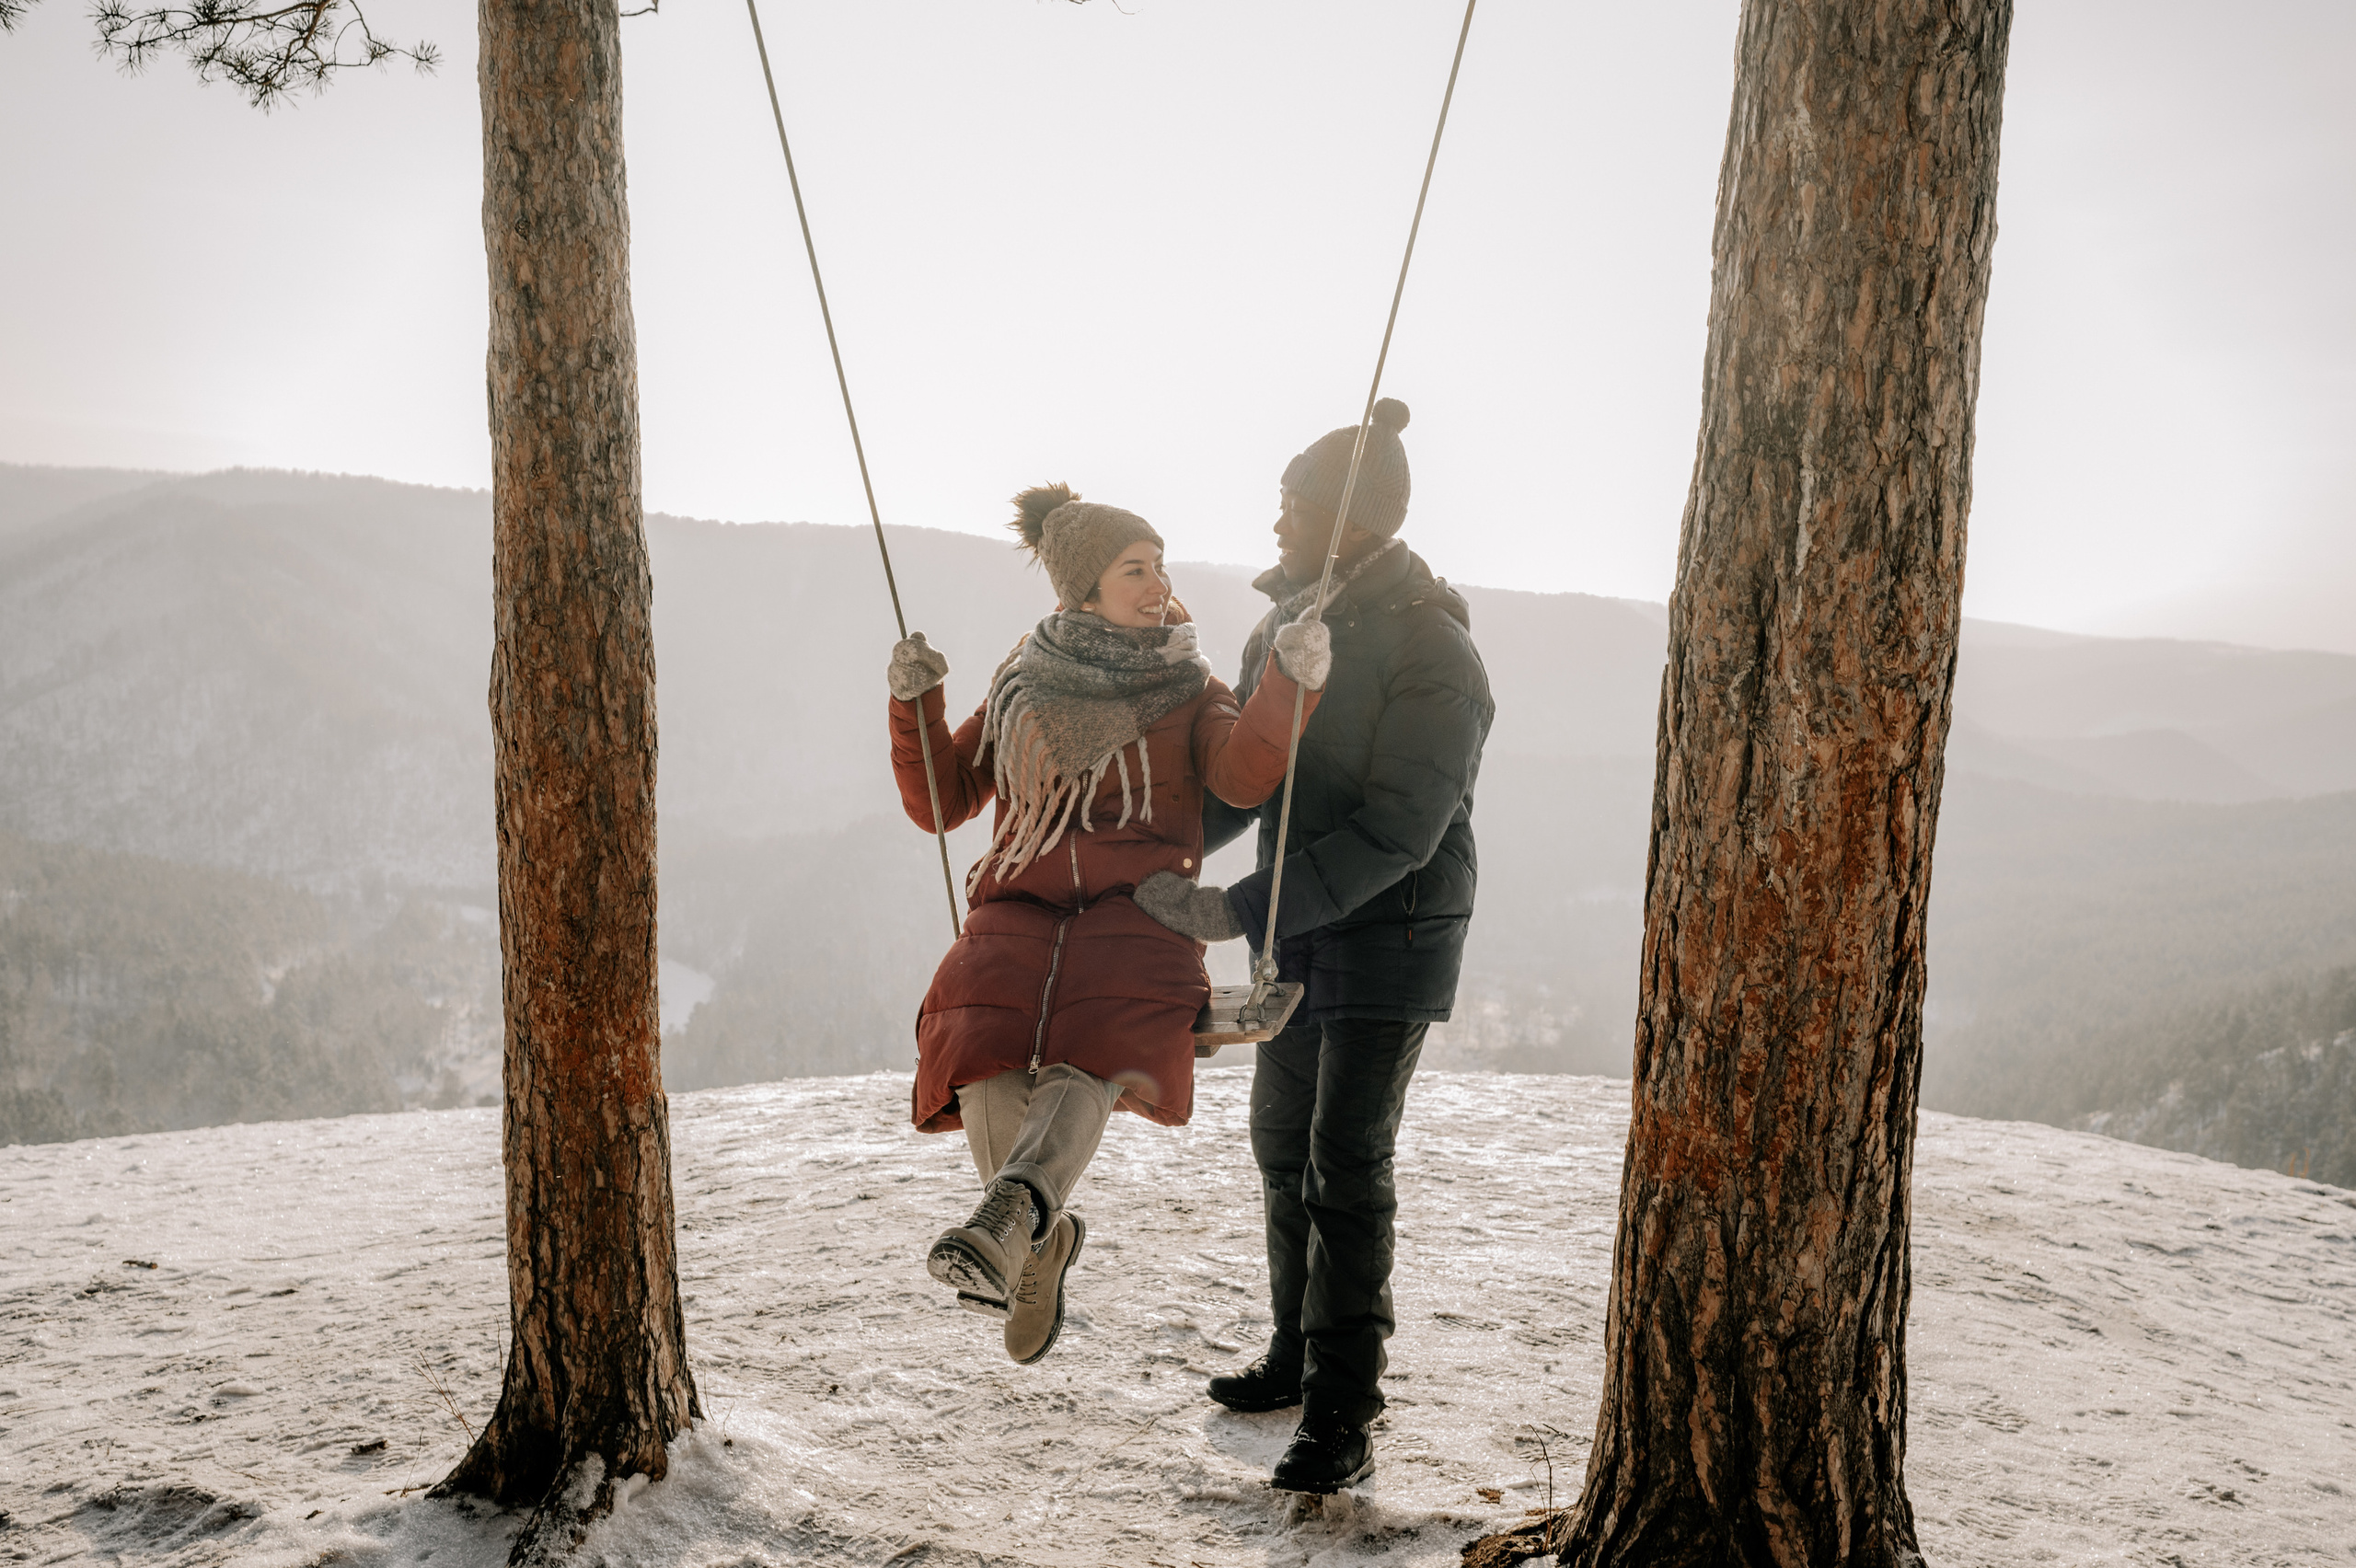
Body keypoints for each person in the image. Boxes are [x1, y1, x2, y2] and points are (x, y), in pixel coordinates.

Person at [1133, 398, 1493, 1494]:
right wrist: (1152, 848)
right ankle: (1292, 1356)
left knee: (1346, 1166)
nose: (1276, 522)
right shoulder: (1283, 630)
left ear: (1350, 520)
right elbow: (1250, 778)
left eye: (1295, 506)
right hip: (1297, 935)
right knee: (1281, 1147)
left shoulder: (1435, 649)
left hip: (1391, 932)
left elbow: (1402, 829)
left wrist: (1243, 913)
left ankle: (1342, 1413)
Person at [886, 483, 1330, 1366]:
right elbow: (945, 802)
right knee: (977, 1027)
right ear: (1082, 591)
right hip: (1020, 900)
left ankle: (1014, 1217)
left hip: (1138, 910)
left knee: (1098, 1026)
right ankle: (1029, 1234)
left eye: (1161, 564)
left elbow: (1243, 777)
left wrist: (1288, 683)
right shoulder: (1026, 680)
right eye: (1136, 568)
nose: (1158, 581)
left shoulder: (1185, 684)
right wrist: (917, 708)